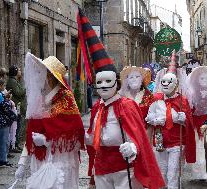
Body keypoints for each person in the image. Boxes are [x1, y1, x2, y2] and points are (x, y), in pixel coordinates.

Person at [77, 9, 165, 189]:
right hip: (102, 166)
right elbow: (94, 135)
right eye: (99, 82)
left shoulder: (126, 105)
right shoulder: (97, 108)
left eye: (107, 81)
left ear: (116, 83)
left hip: (123, 167)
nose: (103, 85)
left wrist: (133, 147)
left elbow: (137, 134)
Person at [14, 53, 85, 189]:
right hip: (40, 161)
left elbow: (74, 137)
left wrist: (47, 141)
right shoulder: (40, 100)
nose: (39, 77)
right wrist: (22, 164)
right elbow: (30, 136)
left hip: (60, 162)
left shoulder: (66, 99)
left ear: (51, 77)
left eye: (43, 73)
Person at [145, 51, 196, 189]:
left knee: (173, 173)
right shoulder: (156, 99)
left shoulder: (182, 100)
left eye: (169, 81)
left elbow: (188, 121)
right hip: (160, 142)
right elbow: (148, 117)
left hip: (177, 142)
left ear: (176, 83)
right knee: (162, 172)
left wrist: (182, 118)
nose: (166, 84)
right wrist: (158, 120)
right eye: (163, 82)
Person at [185, 66, 207, 188]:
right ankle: (201, 174)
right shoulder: (192, 94)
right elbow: (189, 109)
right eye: (202, 78)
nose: (205, 80)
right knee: (199, 150)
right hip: (197, 126)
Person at [120, 66, 155, 144]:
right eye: (131, 77)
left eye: (137, 77)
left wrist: (147, 137)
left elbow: (151, 120)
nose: (134, 79)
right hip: (125, 135)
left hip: (144, 134)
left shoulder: (148, 95)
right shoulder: (120, 96)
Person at [6, 65, 26, 152]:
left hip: (18, 106)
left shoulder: (14, 81)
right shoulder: (13, 82)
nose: (20, 72)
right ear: (15, 72)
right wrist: (25, 90)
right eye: (19, 70)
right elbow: (18, 92)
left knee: (18, 126)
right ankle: (14, 145)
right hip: (15, 107)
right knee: (16, 127)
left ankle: (16, 144)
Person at [0, 79, 17, 167]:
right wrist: (14, 117)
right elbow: (5, 107)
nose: (4, 88)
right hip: (2, 122)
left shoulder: (0, 95)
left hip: (1, 121)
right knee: (4, 141)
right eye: (3, 86)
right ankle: (3, 160)